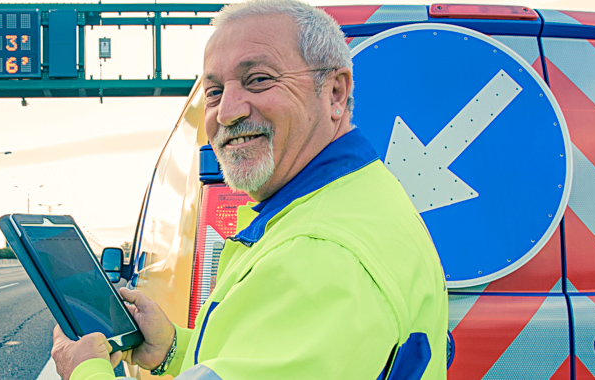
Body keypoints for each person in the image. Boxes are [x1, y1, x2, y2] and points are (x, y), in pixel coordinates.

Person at [51, 0, 448, 378]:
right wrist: (172, 348)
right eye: (214, 92)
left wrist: (85, 368)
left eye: (258, 80)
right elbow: (268, 358)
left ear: (335, 93)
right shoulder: (359, 195)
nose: (227, 111)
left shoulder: (316, 254)